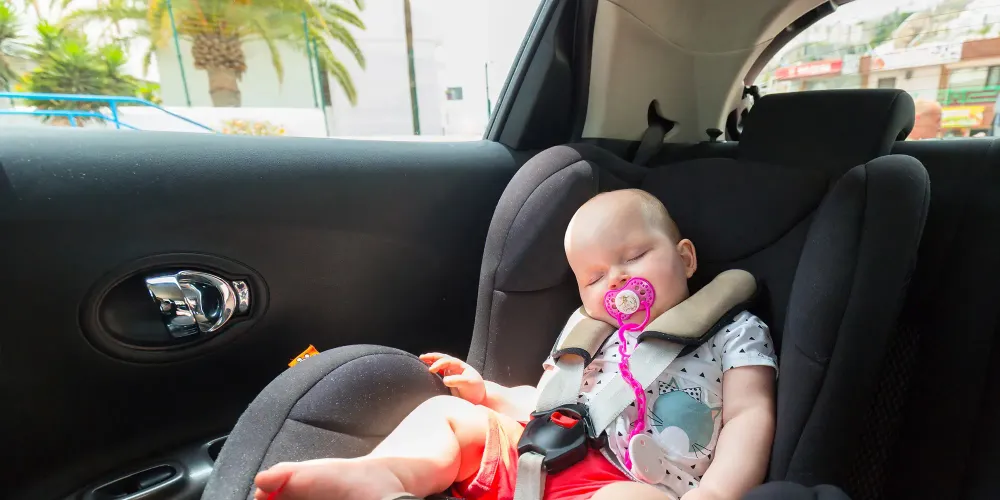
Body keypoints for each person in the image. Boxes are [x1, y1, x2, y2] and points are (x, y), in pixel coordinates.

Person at [252, 189, 778, 500]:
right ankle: (383, 475)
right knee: (448, 417)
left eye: (634, 256)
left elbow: (750, 417)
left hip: (641, 486)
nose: (616, 281)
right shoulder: (593, 339)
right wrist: (492, 396)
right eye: (595, 277)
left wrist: (714, 496)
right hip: (554, 459)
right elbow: (555, 406)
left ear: (685, 258)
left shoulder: (734, 333)